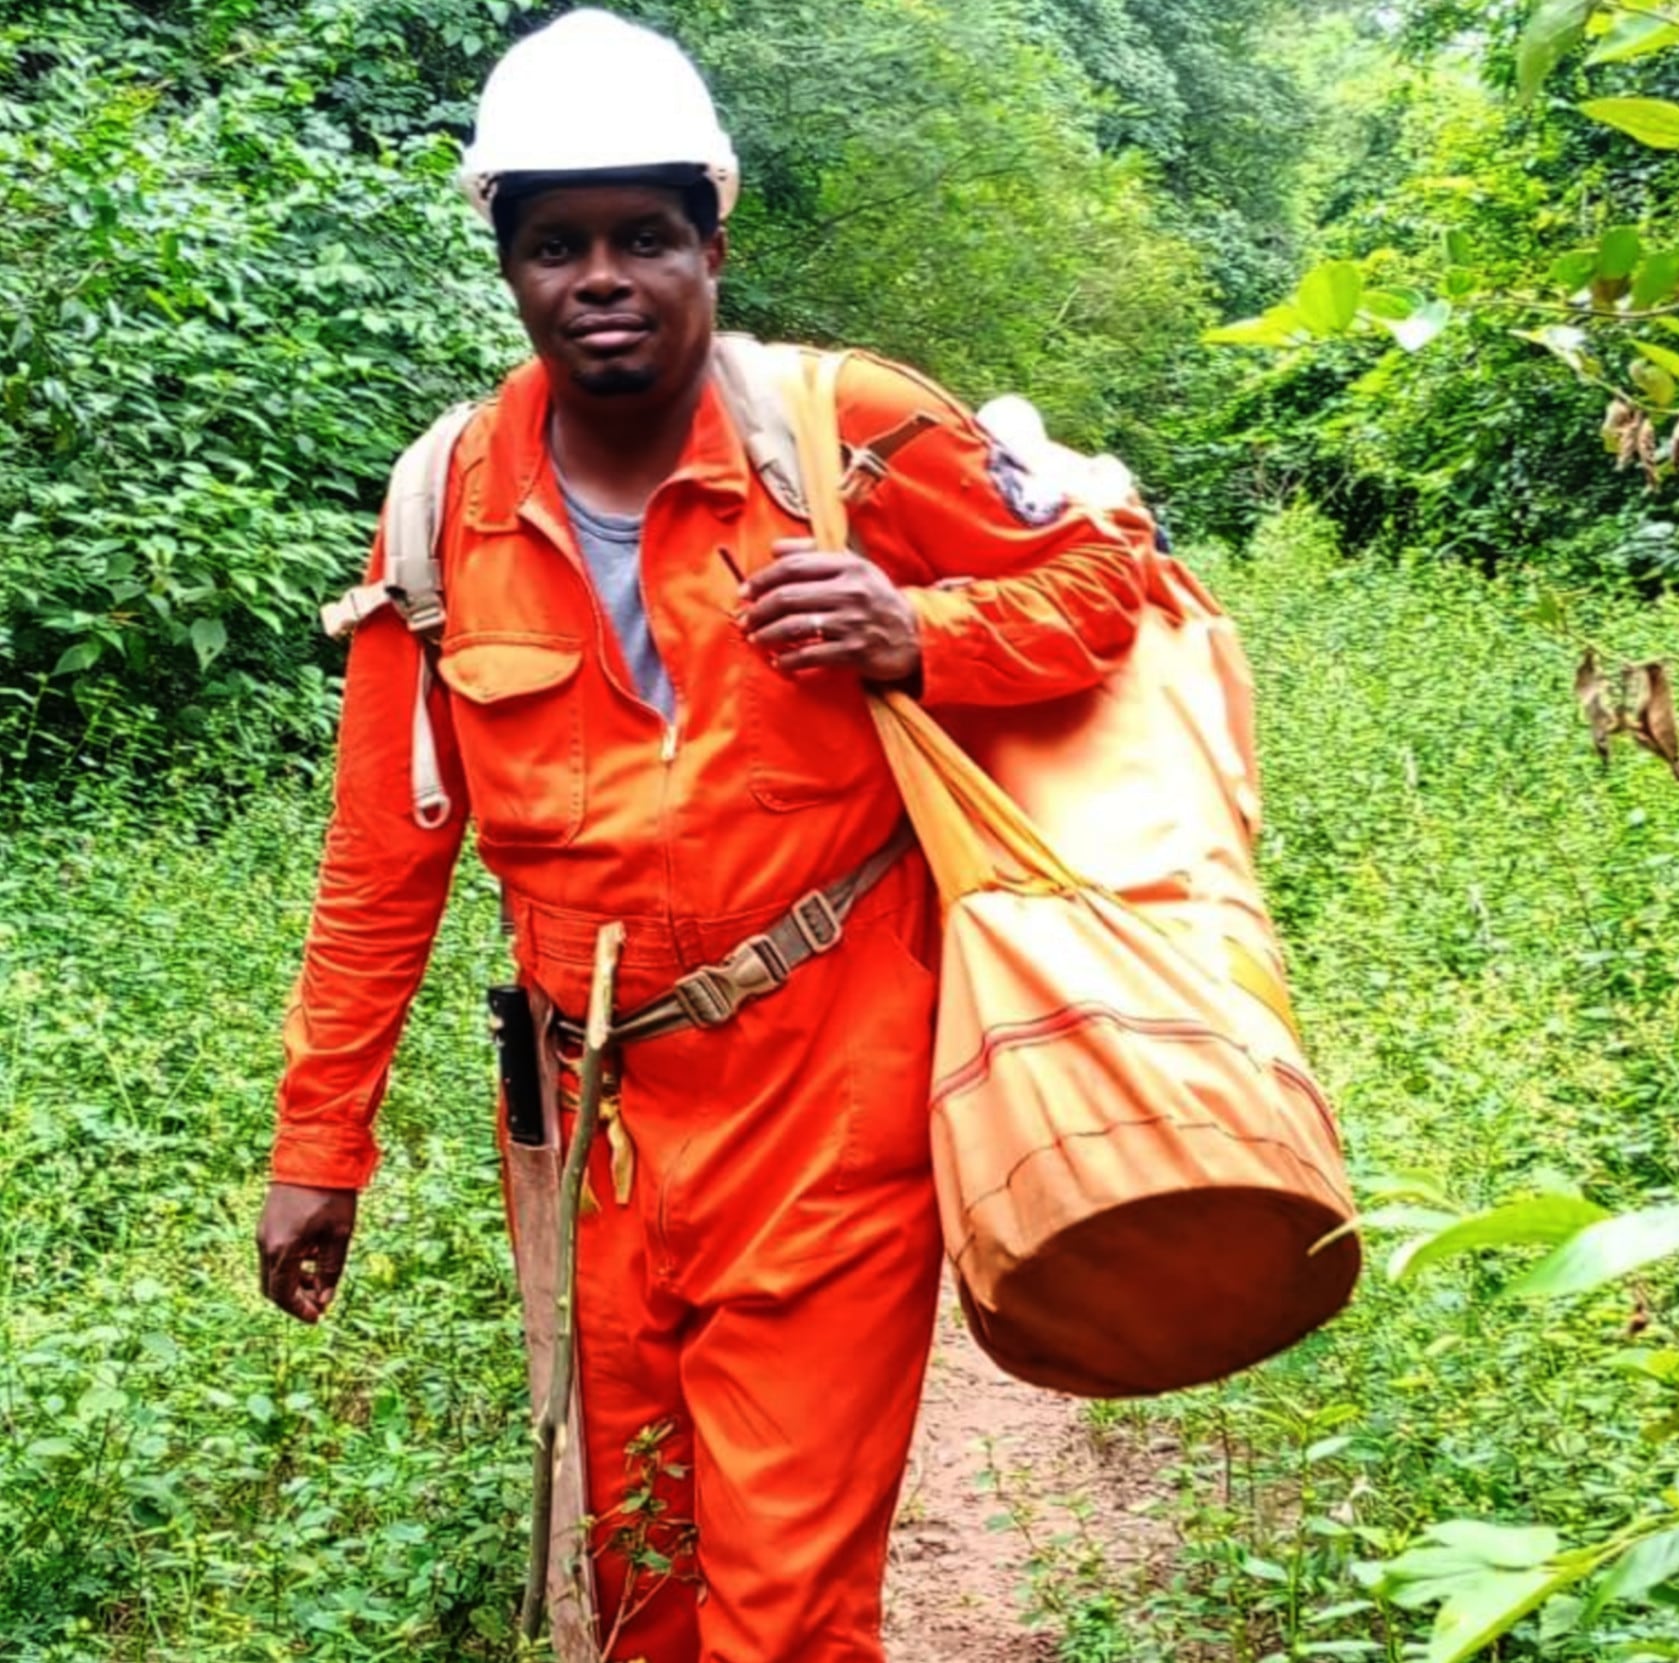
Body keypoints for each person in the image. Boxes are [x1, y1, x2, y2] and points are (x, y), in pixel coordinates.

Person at [253, 9, 1148, 1661]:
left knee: (786, 1613)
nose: (603, 275)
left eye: (644, 236)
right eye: (557, 243)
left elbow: (1115, 578)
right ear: (507, 262)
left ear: (714, 239)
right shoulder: (440, 501)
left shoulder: (846, 431)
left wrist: (922, 631)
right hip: (593, 1131)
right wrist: (321, 1147)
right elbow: (385, 854)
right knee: (644, 1583)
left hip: (831, 1110)